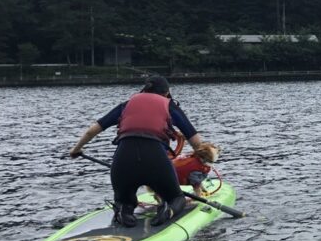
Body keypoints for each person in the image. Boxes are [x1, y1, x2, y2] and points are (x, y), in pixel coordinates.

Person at [67, 75, 214, 227]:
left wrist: (76, 150)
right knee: (177, 199)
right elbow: (196, 142)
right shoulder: (169, 105)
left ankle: (124, 210)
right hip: (156, 160)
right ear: (166, 93)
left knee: (123, 200)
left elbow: (92, 131)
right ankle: (168, 209)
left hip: (123, 161)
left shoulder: (127, 104)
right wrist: (200, 159)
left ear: (144, 90)